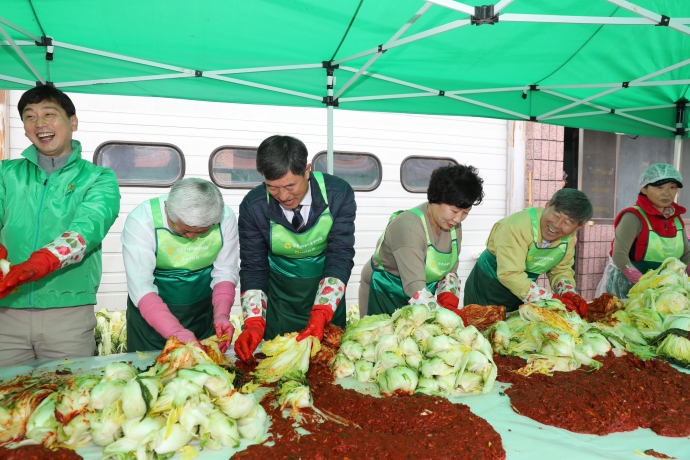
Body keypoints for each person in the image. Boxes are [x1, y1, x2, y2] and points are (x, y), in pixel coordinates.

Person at [0, 86, 120, 366]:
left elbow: (89, 226)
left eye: (49, 114)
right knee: (8, 402)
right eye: (29, 117)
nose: (40, 124)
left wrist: (43, 260)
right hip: (6, 312)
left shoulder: (99, 178)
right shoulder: (6, 173)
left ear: (73, 122)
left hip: (68, 314)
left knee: (68, 398)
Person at [234, 135, 356, 362]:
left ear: (307, 170)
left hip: (326, 298)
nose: (283, 196)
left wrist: (322, 312)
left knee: (328, 367)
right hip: (282, 303)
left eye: (290, 186)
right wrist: (253, 323)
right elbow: (253, 267)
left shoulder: (338, 194)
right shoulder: (254, 206)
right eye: (272, 187)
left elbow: (340, 254)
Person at [121, 178, 239, 352]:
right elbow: (141, 287)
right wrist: (175, 331)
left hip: (201, 314)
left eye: (202, 232)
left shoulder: (225, 218)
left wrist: (221, 315)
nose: (192, 237)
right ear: (167, 209)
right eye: (185, 231)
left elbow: (225, 272)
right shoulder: (142, 221)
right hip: (151, 321)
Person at [359, 164, 484, 318]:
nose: (458, 218)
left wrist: (449, 302)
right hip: (385, 292)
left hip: (422, 297)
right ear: (436, 199)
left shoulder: (452, 225)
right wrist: (446, 320)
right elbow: (415, 287)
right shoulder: (408, 226)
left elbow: (450, 269)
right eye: (455, 211)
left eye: (465, 212)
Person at [464, 188, 593, 315]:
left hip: (523, 292)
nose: (557, 225)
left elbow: (561, 270)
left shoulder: (568, 237)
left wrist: (568, 293)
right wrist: (552, 300)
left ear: (578, 227)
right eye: (556, 215)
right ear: (547, 206)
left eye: (567, 222)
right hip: (488, 287)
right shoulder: (515, 226)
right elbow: (510, 274)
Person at [597, 163, 690, 299]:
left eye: (672, 187)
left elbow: (686, 253)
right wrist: (645, 284)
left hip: (666, 290)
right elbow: (619, 255)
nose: (666, 193)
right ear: (644, 189)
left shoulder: (675, 218)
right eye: (659, 187)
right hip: (630, 287)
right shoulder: (633, 217)